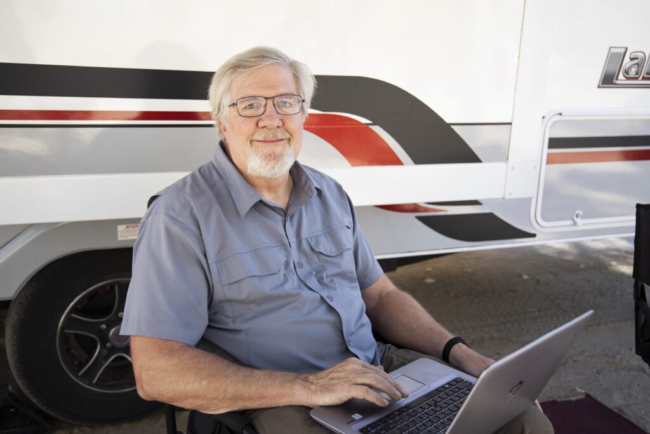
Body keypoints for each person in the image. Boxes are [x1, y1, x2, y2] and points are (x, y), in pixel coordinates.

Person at [121, 46, 553, 434]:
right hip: (280, 397)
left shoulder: (329, 194)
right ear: (221, 120)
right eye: (249, 105)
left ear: (302, 115)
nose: (271, 119)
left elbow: (380, 297)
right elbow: (156, 371)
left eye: (285, 103)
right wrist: (309, 385)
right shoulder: (180, 217)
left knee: (523, 420)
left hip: (375, 369)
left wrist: (460, 354)